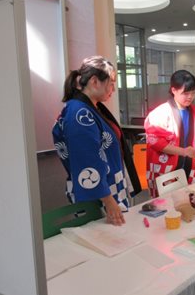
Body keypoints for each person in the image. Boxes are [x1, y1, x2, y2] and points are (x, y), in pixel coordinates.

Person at [52, 56, 142, 226]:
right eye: (111, 83)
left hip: (109, 184)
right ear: (94, 81)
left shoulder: (91, 108)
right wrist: (109, 201)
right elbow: (88, 159)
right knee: (106, 240)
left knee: (117, 237)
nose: (113, 89)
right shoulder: (78, 113)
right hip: (98, 192)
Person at [144, 69, 195, 198]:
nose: (190, 97)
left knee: (189, 203)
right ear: (173, 90)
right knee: (166, 206)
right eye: (185, 93)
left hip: (190, 167)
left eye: (193, 93)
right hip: (164, 170)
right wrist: (184, 152)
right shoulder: (159, 114)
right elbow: (156, 143)